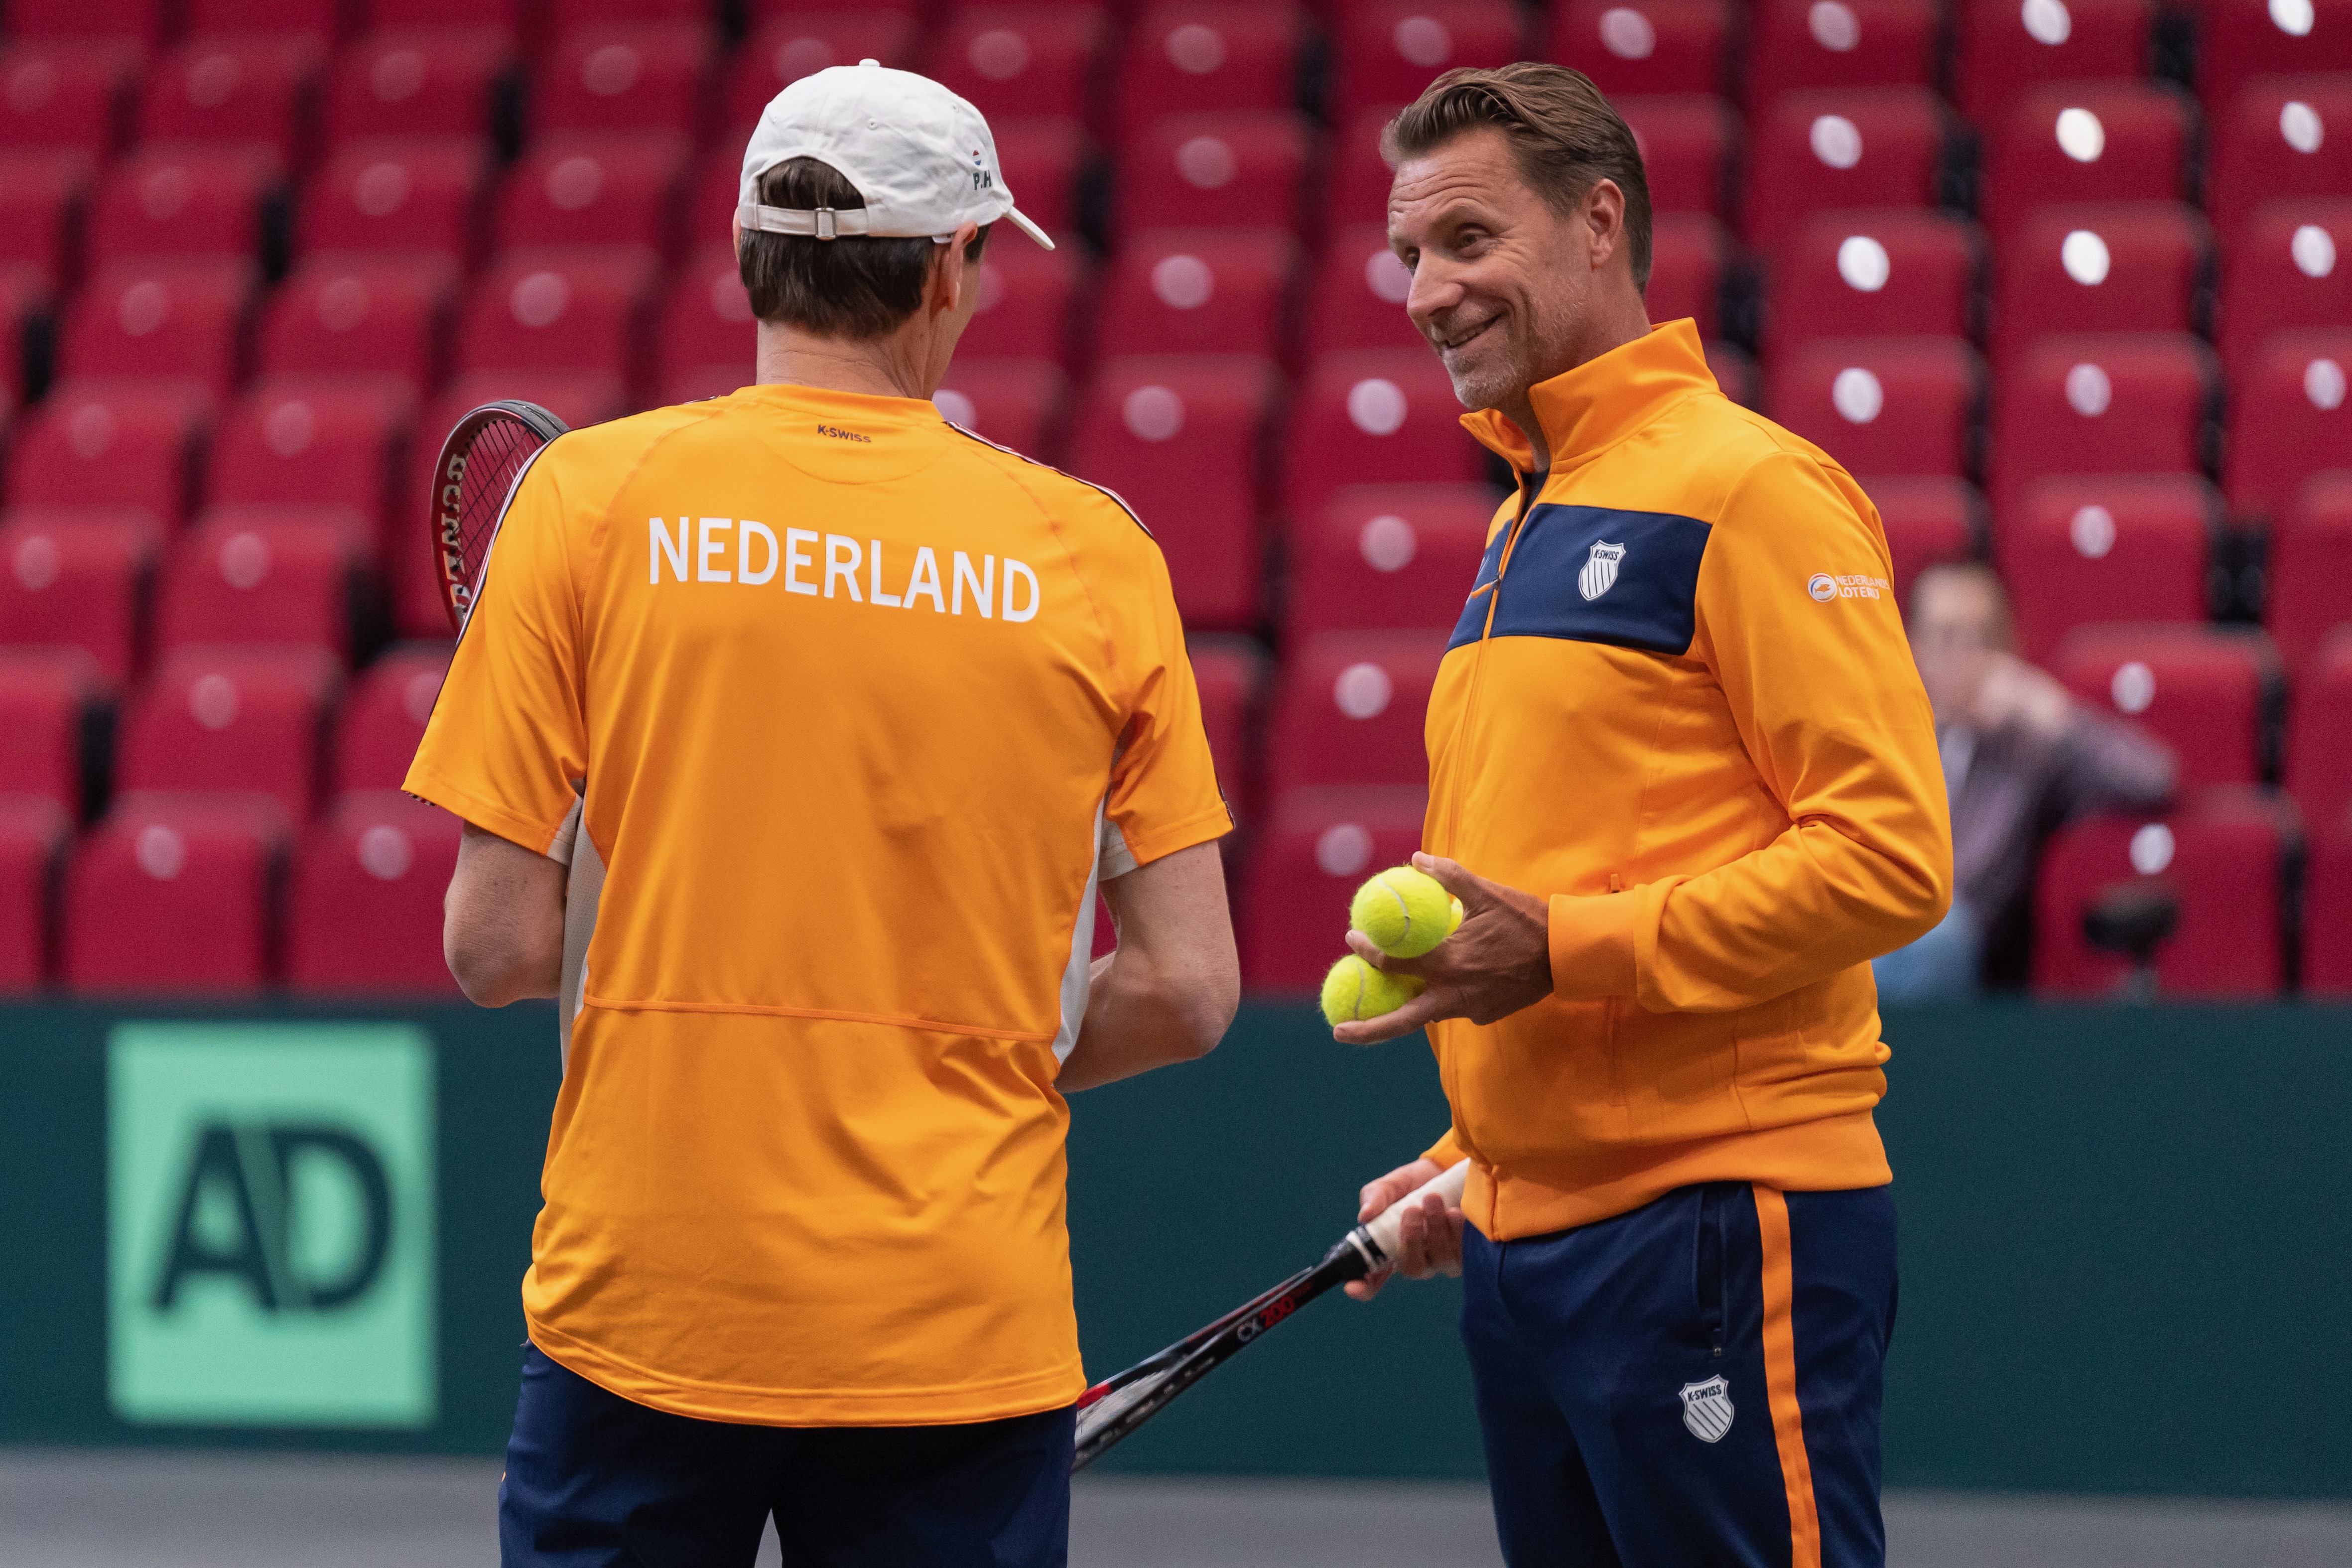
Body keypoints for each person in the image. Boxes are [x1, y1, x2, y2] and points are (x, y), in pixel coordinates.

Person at [405, 61, 1239, 1568]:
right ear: (946, 265)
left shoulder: (588, 501)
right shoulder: (1092, 552)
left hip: (645, 1298)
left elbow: (491, 944)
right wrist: (956, 1039)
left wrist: (648, 948)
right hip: (956, 1318)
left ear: (743, 255)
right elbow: (1186, 988)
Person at [1329, 64, 1954, 1568]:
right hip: (1532, 1239)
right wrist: (1482, 1152)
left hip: (1713, 1228)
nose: (1427, 290)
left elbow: (1887, 856)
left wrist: (1558, 951)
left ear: (1596, 222)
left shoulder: (1753, 491)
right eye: (1411, 252)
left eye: (1468, 240)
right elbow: (1582, 870)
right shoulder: (1511, 523)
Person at [1876, 562, 2177, 997]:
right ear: (1914, 647)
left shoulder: (2032, 750)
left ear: (2009, 646)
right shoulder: (1885, 737)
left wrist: (2052, 710)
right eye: (1945, 638)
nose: (1963, 657)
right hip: (1878, 914)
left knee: (1933, 936)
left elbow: (2154, 779)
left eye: (1980, 639)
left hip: (1965, 938)